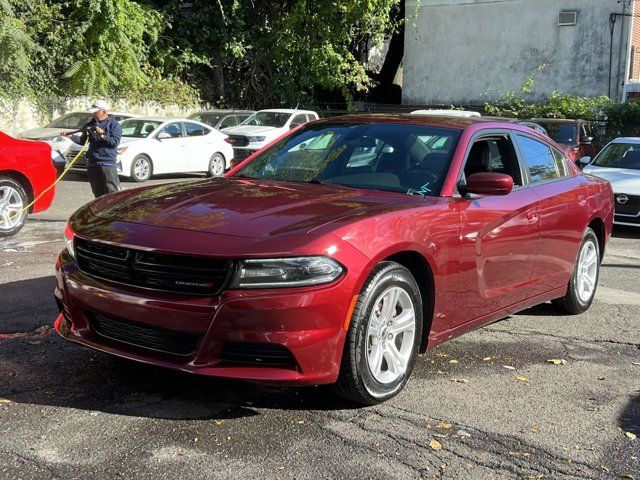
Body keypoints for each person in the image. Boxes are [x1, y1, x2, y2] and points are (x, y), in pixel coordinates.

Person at [63, 100, 122, 197]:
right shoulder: (90, 124)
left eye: (95, 111)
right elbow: (83, 141)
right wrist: (70, 136)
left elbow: (114, 142)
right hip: (92, 163)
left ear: (103, 111)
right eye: (93, 111)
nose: (93, 113)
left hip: (107, 162)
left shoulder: (114, 125)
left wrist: (102, 134)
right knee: (98, 194)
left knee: (112, 193)